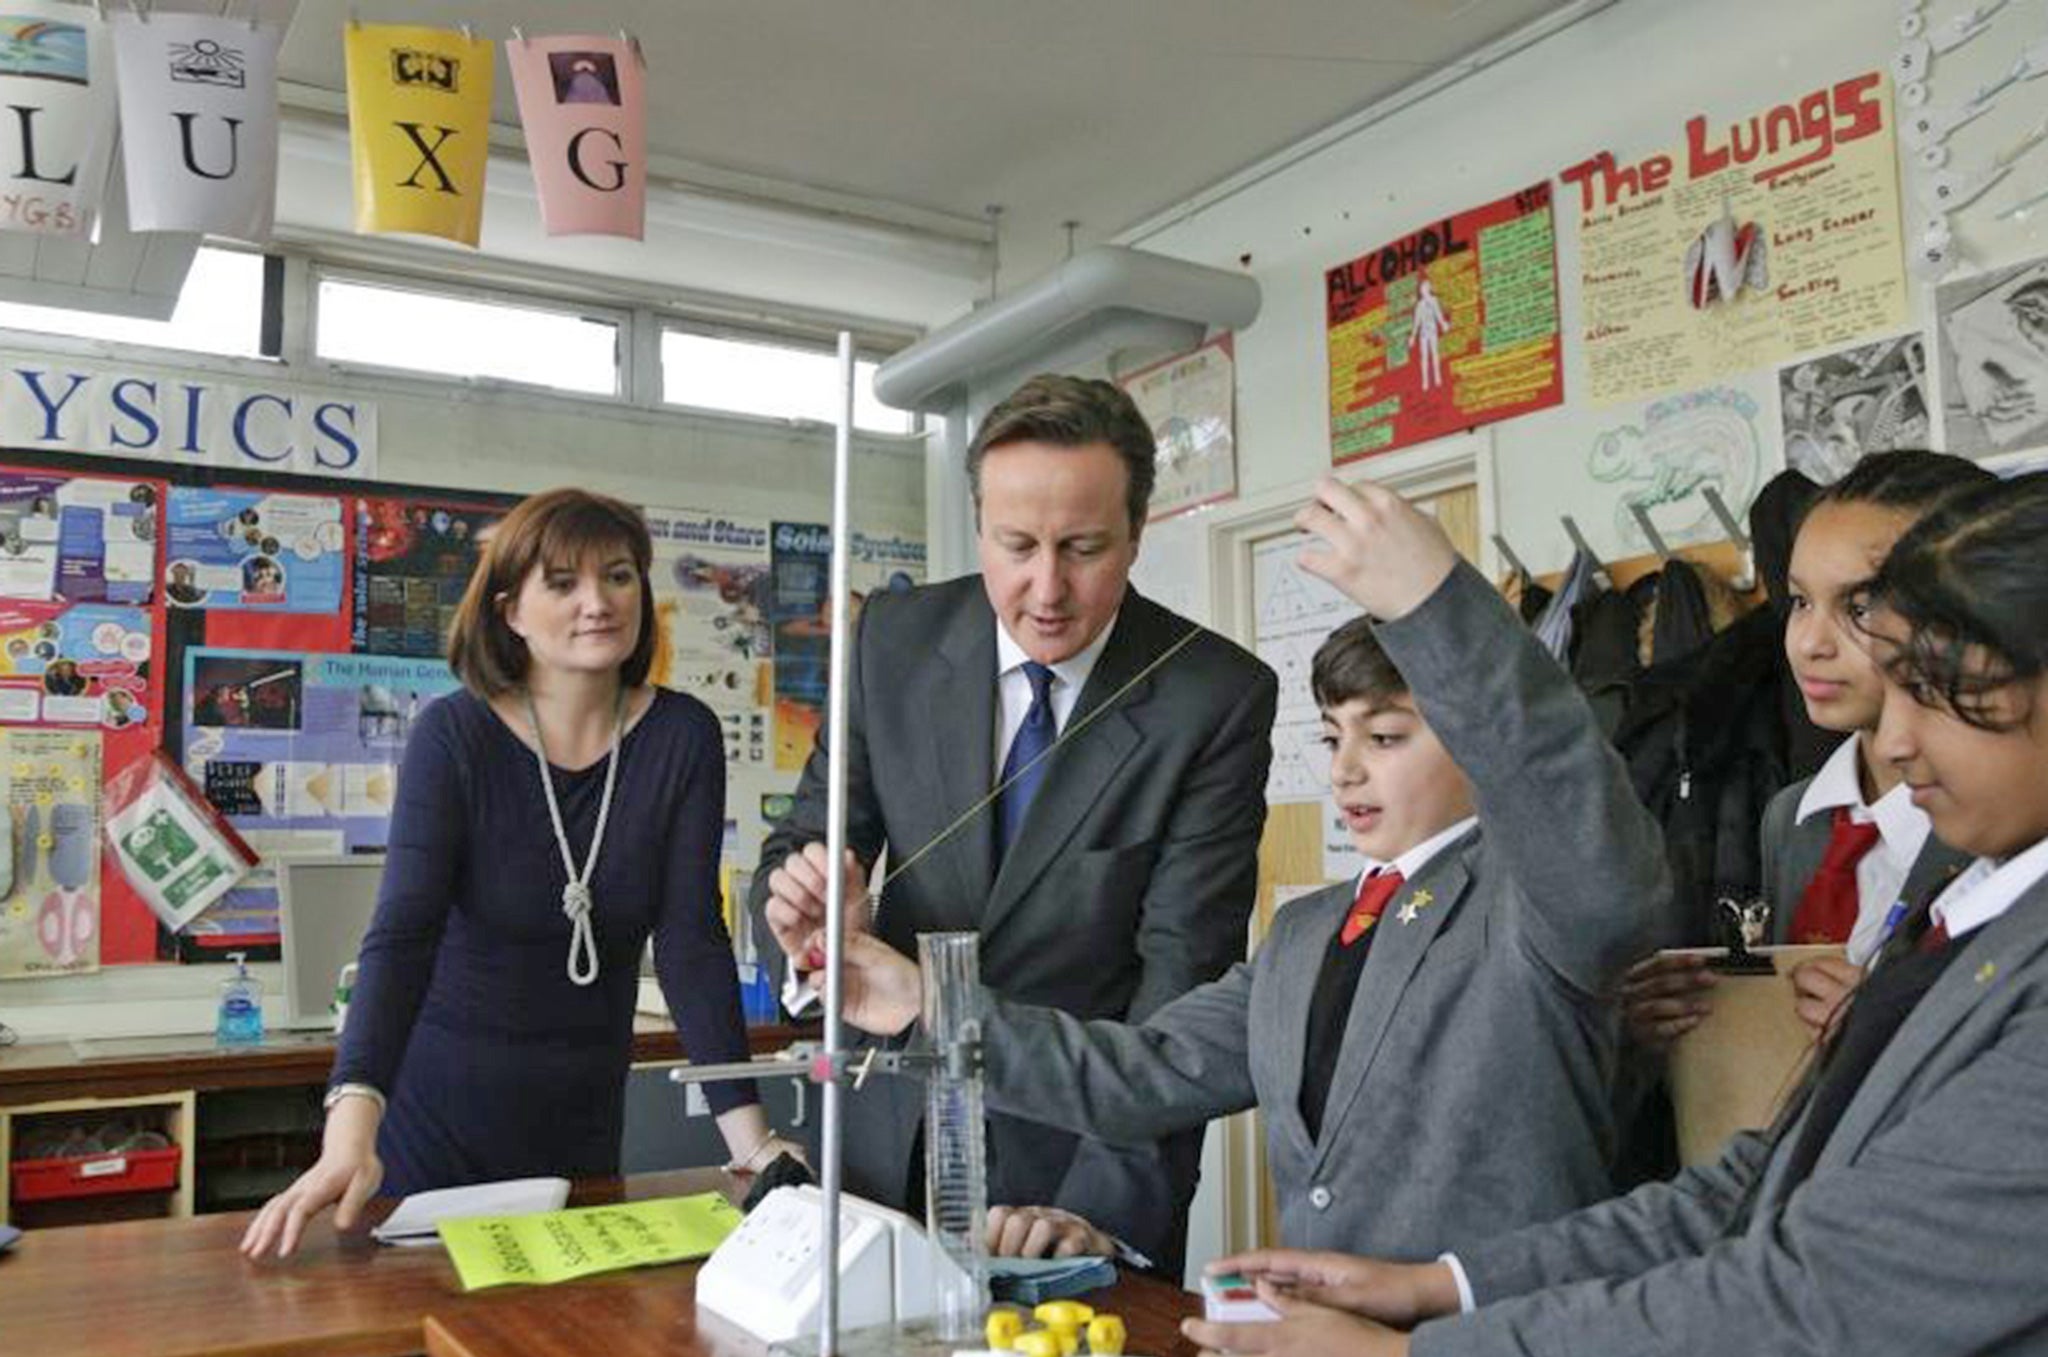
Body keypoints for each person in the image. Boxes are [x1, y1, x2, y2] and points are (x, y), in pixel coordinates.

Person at [1181, 476, 2048, 1357]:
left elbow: (1814, 1300)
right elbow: (1745, 1193)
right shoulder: (1959, 906)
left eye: (1938, 690)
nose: (1895, 742)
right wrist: (1433, 1287)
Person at [827, 474, 1667, 1261]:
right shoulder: (1305, 936)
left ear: (1472, 741)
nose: (1345, 772)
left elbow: (1582, 825)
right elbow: (1141, 1070)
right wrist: (930, 1006)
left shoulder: (1537, 910)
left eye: (1385, 738)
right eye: (1333, 738)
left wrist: (1438, 609)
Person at [752, 374, 1277, 1274]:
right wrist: (808, 924)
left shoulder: (1213, 699)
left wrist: (1096, 1217)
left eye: (1083, 547)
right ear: (979, 526)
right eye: (1017, 545)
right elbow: (800, 847)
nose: (1047, 588)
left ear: (1138, 532)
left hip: (1065, 1177)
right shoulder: (894, 640)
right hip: (881, 1153)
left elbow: (1179, 993)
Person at [243, 488, 793, 1259]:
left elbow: (692, 943)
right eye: (562, 583)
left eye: (619, 576)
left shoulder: (682, 736)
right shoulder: (455, 736)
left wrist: (753, 1143)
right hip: (437, 1118)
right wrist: (347, 1134)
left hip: (582, 1118)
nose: (597, 602)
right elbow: (402, 937)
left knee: (566, 1351)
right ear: (510, 611)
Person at [1620, 451, 1992, 1048]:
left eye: (1860, 607)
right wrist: (1692, 1013)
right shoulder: (1792, 819)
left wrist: (1891, 1028)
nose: (1810, 643)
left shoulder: (1997, 826)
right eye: (1799, 602)